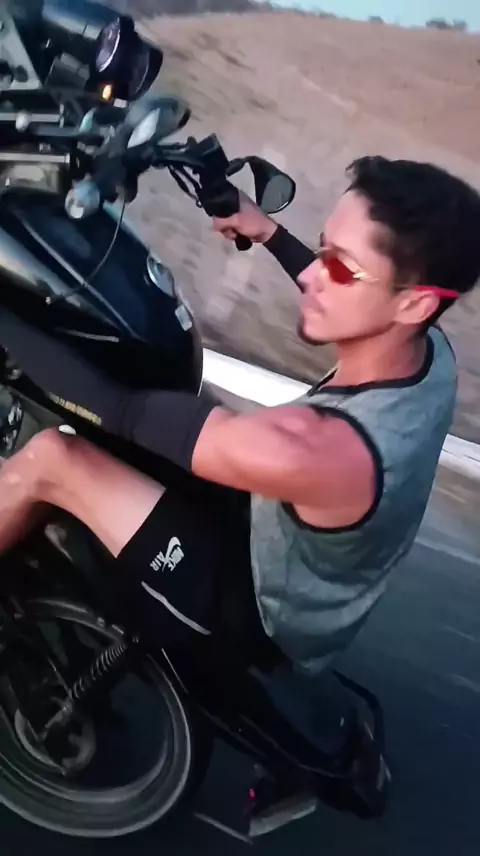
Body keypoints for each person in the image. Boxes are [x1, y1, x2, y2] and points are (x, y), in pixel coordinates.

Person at [0, 155, 479, 829]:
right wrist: (268, 232)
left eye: (341, 269)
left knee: (58, 457)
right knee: (174, 427)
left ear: (415, 303)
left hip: (253, 609)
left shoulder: (312, 449)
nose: (312, 275)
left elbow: (119, 407)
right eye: (321, 250)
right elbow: (352, 288)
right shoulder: (429, 356)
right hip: (299, 554)